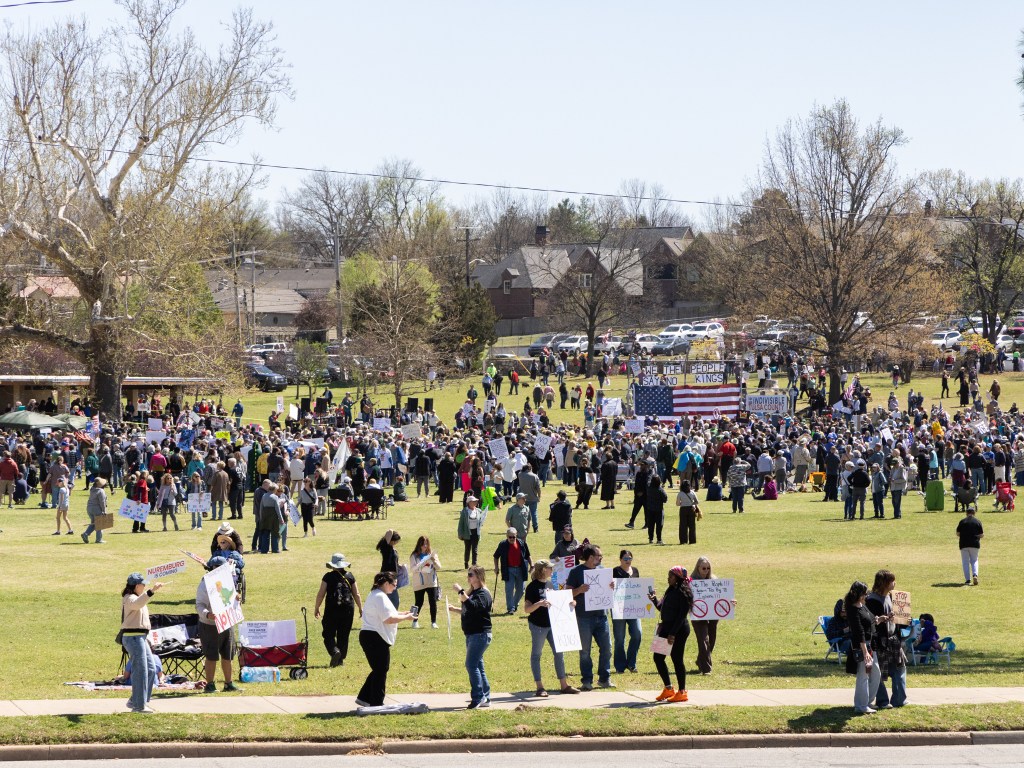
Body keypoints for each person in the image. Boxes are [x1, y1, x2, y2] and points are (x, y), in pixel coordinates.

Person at [356, 571, 416, 707]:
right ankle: (376, 701)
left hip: (372, 636)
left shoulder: (377, 595)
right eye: (394, 584)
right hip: (374, 637)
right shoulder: (380, 597)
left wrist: (403, 613)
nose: (395, 587)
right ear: (386, 583)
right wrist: (406, 618)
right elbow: (389, 619)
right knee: (381, 670)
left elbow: (388, 614)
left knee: (379, 669)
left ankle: (364, 698)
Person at [524, 560, 580, 697]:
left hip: (553, 625)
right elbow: (527, 609)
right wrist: (539, 604)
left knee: (559, 653)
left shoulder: (550, 584)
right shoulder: (531, 587)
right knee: (536, 654)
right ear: (543, 570)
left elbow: (557, 601)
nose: (552, 571)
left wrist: (571, 602)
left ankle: (564, 685)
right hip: (538, 626)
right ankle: (540, 687)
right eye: (550, 568)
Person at [565, 543, 614, 691]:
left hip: (601, 616)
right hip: (584, 618)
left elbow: (608, 590)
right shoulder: (576, 571)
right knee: (585, 651)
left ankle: (604, 679)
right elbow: (567, 594)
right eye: (599, 555)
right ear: (591, 557)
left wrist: (611, 586)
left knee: (607, 648)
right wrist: (579, 590)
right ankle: (587, 680)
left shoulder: (602, 570)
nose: (601, 558)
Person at [195, 556, 243, 694]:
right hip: (209, 625)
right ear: (215, 568)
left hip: (227, 622)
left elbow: (229, 597)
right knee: (211, 656)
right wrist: (208, 614)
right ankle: (210, 685)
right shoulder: (205, 584)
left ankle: (229, 683)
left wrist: (237, 597)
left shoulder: (228, 580)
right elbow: (199, 605)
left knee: (228, 655)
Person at [449, 565, 494, 709]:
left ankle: (478, 697)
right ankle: (485, 697)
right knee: (478, 666)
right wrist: (454, 609)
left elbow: (475, 607)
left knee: (471, 665)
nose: (468, 577)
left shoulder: (483, 593)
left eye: (471, 575)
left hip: (480, 634)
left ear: (479, 576)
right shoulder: (474, 592)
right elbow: (469, 609)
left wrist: (460, 591)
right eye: (468, 575)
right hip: (473, 634)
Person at [120, 572, 164, 713]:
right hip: (133, 637)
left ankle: (137, 700)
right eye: (143, 585)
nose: (145, 587)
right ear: (137, 586)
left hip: (141, 637)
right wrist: (152, 591)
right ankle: (139, 706)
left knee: (151, 669)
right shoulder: (129, 598)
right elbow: (137, 604)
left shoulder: (138, 597)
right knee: (140, 670)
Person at [649, 565, 692, 703]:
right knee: (658, 658)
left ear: (679, 578)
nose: (668, 578)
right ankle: (668, 689)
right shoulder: (671, 589)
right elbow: (663, 609)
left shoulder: (683, 593)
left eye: (671, 576)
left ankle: (682, 692)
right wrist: (654, 600)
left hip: (678, 630)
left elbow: (681, 616)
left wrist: (672, 634)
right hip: (666, 628)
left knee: (677, 659)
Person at [866, 569, 907, 709]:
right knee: (878, 673)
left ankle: (899, 699)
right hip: (880, 641)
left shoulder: (891, 597)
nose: (894, 583)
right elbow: (871, 623)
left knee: (899, 668)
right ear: (885, 583)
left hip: (893, 638)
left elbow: (897, 619)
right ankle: (883, 701)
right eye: (892, 581)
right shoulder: (872, 600)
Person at [314, 553, 362, 668]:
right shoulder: (350, 576)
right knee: (344, 635)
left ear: (333, 565)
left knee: (328, 634)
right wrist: (361, 608)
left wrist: (317, 607)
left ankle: (334, 651)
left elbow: (321, 594)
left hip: (332, 609)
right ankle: (340, 661)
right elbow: (356, 594)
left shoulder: (328, 577)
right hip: (348, 609)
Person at [690, 555, 730, 675]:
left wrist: (730, 601)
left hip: (713, 614)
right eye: (703, 568)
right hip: (698, 615)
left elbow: (722, 595)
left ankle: (700, 661)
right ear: (697, 568)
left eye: (708, 568)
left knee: (711, 640)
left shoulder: (714, 580)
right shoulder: (691, 581)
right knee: (703, 639)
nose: (706, 571)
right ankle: (706, 668)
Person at [845, 580, 880, 714]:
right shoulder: (853, 609)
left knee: (876, 673)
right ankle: (860, 705)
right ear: (859, 594)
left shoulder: (862, 606)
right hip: (862, 647)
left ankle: (867, 701)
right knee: (863, 675)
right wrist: (865, 652)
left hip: (871, 645)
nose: (867, 596)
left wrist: (882, 619)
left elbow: (871, 620)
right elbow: (859, 632)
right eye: (865, 593)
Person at [611, 550, 642, 674]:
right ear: (620, 559)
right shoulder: (615, 571)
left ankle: (631, 663)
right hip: (618, 608)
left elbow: (638, 587)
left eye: (630, 558)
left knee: (637, 634)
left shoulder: (635, 571)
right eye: (625, 559)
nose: (628, 561)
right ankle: (620, 666)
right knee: (619, 638)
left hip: (633, 607)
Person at [493, 526, 532, 615]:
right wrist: (496, 567)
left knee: (521, 590)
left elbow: (528, 555)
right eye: (510, 537)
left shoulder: (521, 543)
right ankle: (510, 608)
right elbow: (496, 556)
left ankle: (514, 604)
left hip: (520, 569)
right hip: (508, 569)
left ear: (516, 535)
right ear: (507, 536)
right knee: (509, 590)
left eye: (513, 537)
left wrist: (532, 565)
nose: (512, 539)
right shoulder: (503, 544)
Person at [409, 536, 441, 628]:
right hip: (419, 582)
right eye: (423, 544)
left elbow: (439, 567)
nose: (425, 546)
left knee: (433, 601)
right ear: (419, 545)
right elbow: (412, 569)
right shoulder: (414, 556)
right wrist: (421, 564)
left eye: (426, 544)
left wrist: (434, 561)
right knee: (418, 602)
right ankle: (414, 621)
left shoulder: (432, 554)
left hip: (431, 582)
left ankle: (433, 622)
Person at [956, 504, 983, 585]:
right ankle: (975, 575)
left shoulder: (962, 521)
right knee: (974, 560)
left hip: (963, 544)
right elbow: (981, 534)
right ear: (974, 513)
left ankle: (968, 580)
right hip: (974, 544)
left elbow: (957, 533)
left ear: (966, 513)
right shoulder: (977, 521)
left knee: (965, 562)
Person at [376, 530, 402, 608]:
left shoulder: (391, 548)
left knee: (392, 600)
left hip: (392, 576)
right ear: (390, 540)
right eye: (395, 541)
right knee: (394, 601)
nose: (396, 543)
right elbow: (390, 531)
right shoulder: (386, 548)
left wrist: (399, 566)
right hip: (387, 577)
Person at [457, 496, 483, 569]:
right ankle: (466, 563)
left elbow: (481, 521)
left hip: (476, 532)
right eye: (473, 501)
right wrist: (460, 534)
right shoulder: (464, 511)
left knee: (475, 549)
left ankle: (474, 564)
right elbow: (461, 523)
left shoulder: (479, 510)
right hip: (467, 533)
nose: (475, 502)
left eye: (476, 501)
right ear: (469, 502)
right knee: (467, 549)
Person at [81, 477, 109, 544]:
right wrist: (104, 511)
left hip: (89, 508)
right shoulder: (101, 491)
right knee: (100, 523)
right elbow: (102, 502)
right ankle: (99, 539)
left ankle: (86, 534)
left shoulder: (92, 489)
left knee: (94, 523)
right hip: (96, 508)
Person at [675, 480, 699, 545]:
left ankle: (683, 541)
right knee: (692, 526)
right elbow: (697, 501)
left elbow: (677, 504)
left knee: (683, 526)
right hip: (691, 509)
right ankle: (692, 540)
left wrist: (682, 503)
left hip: (683, 509)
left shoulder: (680, 493)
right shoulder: (692, 492)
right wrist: (693, 504)